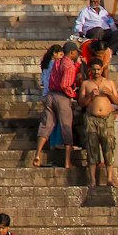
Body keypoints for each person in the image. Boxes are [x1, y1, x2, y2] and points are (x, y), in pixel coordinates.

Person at [34, 41, 80, 170]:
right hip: (61, 96)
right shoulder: (68, 65)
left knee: (46, 124)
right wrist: (74, 95)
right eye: (76, 52)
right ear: (71, 52)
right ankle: (67, 162)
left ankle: (37, 155)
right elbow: (65, 85)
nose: (77, 54)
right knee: (66, 127)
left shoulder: (57, 62)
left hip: (50, 95)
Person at [78, 58, 118, 189]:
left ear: (102, 69)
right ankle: (92, 179)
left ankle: (109, 178)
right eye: (94, 70)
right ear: (90, 70)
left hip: (107, 119)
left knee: (109, 146)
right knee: (92, 148)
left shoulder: (109, 83)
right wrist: (90, 96)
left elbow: (117, 101)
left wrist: (109, 94)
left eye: (98, 69)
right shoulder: (86, 84)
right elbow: (81, 103)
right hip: (91, 118)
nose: (96, 72)